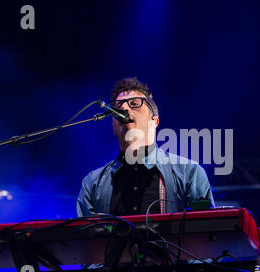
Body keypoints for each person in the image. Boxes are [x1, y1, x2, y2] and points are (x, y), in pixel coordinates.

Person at [76, 77, 214, 218]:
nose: (124, 108)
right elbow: (88, 238)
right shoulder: (92, 184)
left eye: (134, 104)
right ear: (113, 126)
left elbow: (206, 233)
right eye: (118, 107)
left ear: (154, 121)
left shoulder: (189, 173)